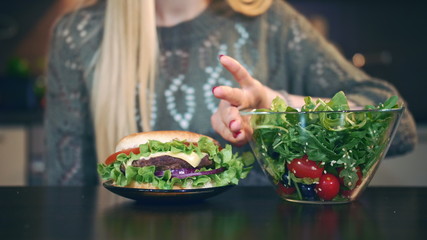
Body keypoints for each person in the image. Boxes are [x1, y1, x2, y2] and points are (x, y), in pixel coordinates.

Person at [44, 0, 417, 185]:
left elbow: (398, 126)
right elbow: (64, 191)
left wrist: (278, 105)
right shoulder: (78, 35)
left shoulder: (273, 23)